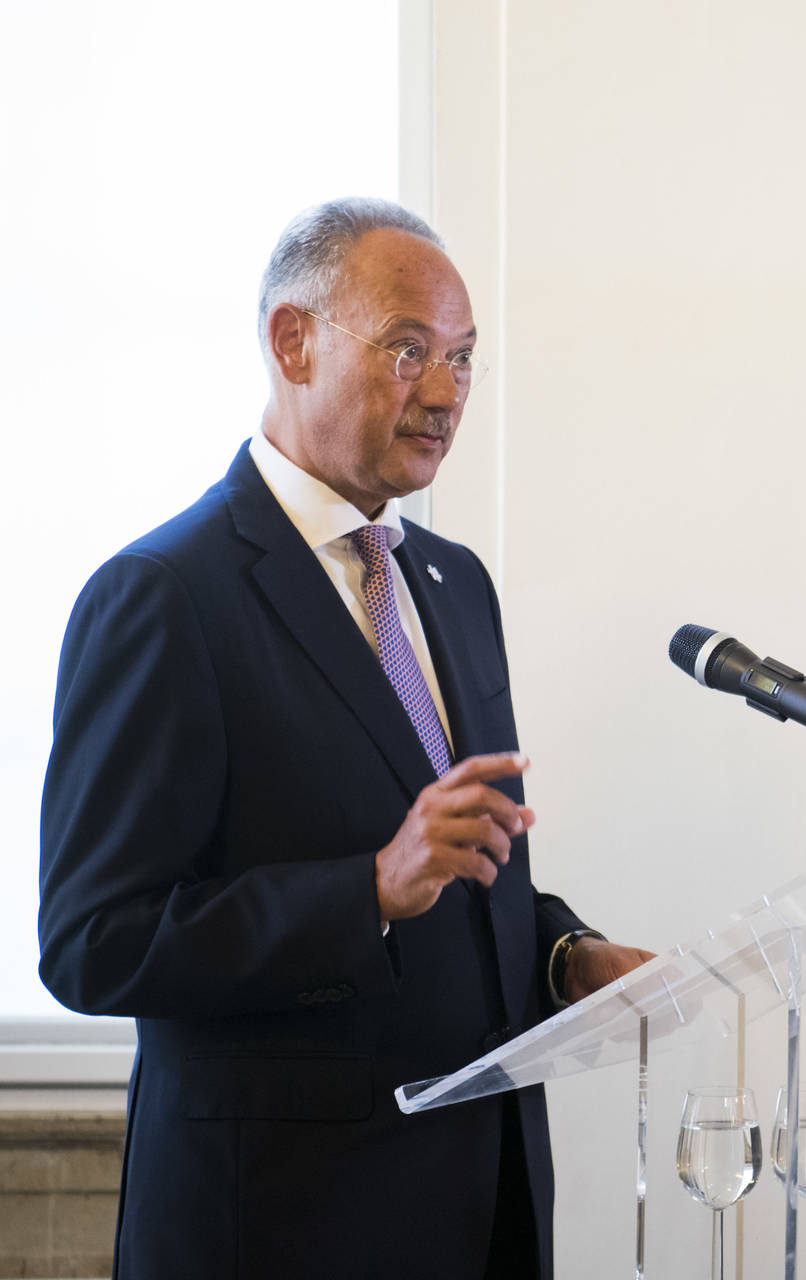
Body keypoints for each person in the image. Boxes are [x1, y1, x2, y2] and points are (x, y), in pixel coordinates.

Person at [37, 198, 651, 1280]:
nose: (447, 392)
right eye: (409, 348)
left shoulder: (454, 585)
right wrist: (365, 889)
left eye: (463, 358)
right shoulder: (164, 596)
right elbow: (94, 938)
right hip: (280, 1226)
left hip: (482, 1206)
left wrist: (561, 954)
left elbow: (469, 871)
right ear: (292, 340)